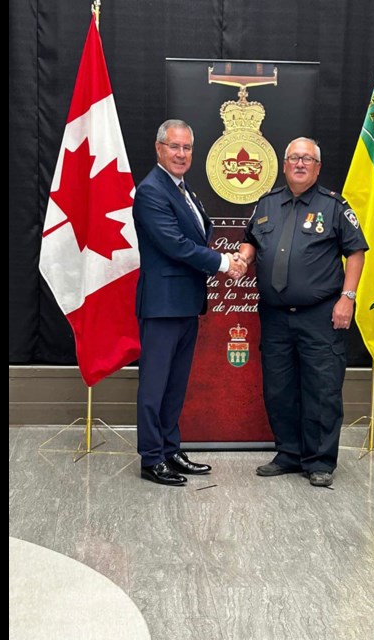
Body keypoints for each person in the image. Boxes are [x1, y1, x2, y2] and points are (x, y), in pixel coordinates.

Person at [234, 137, 368, 487]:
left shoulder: (334, 206)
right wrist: (244, 257)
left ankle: (320, 460)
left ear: (318, 167)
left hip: (321, 315)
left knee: (322, 389)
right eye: (294, 157)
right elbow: (251, 239)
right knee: (279, 388)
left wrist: (347, 298)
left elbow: (356, 252)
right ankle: (289, 454)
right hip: (276, 316)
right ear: (284, 164)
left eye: (307, 159)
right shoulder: (266, 204)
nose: (300, 164)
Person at [133, 119, 239, 486]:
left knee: (175, 384)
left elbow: (195, 237)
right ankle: (151, 458)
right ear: (159, 148)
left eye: (187, 148)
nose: (181, 154)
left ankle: (169, 448)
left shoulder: (182, 189)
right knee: (154, 386)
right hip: (162, 304)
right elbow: (175, 245)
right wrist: (224, 263)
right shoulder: (151, 191)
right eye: (174, 147)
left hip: (186, 303)